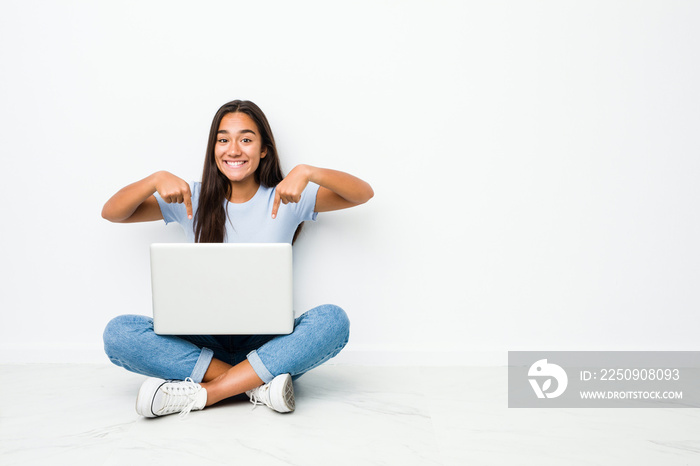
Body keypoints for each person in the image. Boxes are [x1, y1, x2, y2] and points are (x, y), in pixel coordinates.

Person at [101, 100, 373, 418]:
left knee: (333, 321)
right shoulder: (192, 198)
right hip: (202, 341)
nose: (234, 149)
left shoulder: (286, 197)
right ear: (213, 149)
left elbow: (362, 193)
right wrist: (154, 179)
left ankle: (208, 393)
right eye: (223, 139)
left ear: (263, 151)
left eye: (245, 139)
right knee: (118, 332)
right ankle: (255, 384)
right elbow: (112, 213)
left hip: (267, 340)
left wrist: (308, 172)